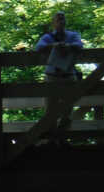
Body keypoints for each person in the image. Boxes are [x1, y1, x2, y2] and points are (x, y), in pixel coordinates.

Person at [35, 12, 83, 145]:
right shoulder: (48, 37)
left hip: (68, 76)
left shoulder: (72, 36)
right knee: (50, 109)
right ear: (53, 23)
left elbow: (79, 45)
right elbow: (38, 48)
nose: (61, 22)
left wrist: (68, 46)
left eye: (63, 19)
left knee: (68, 108)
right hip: (52, 77)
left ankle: (62, 137)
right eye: (58, 19)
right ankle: (52, 139)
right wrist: (54, 46)